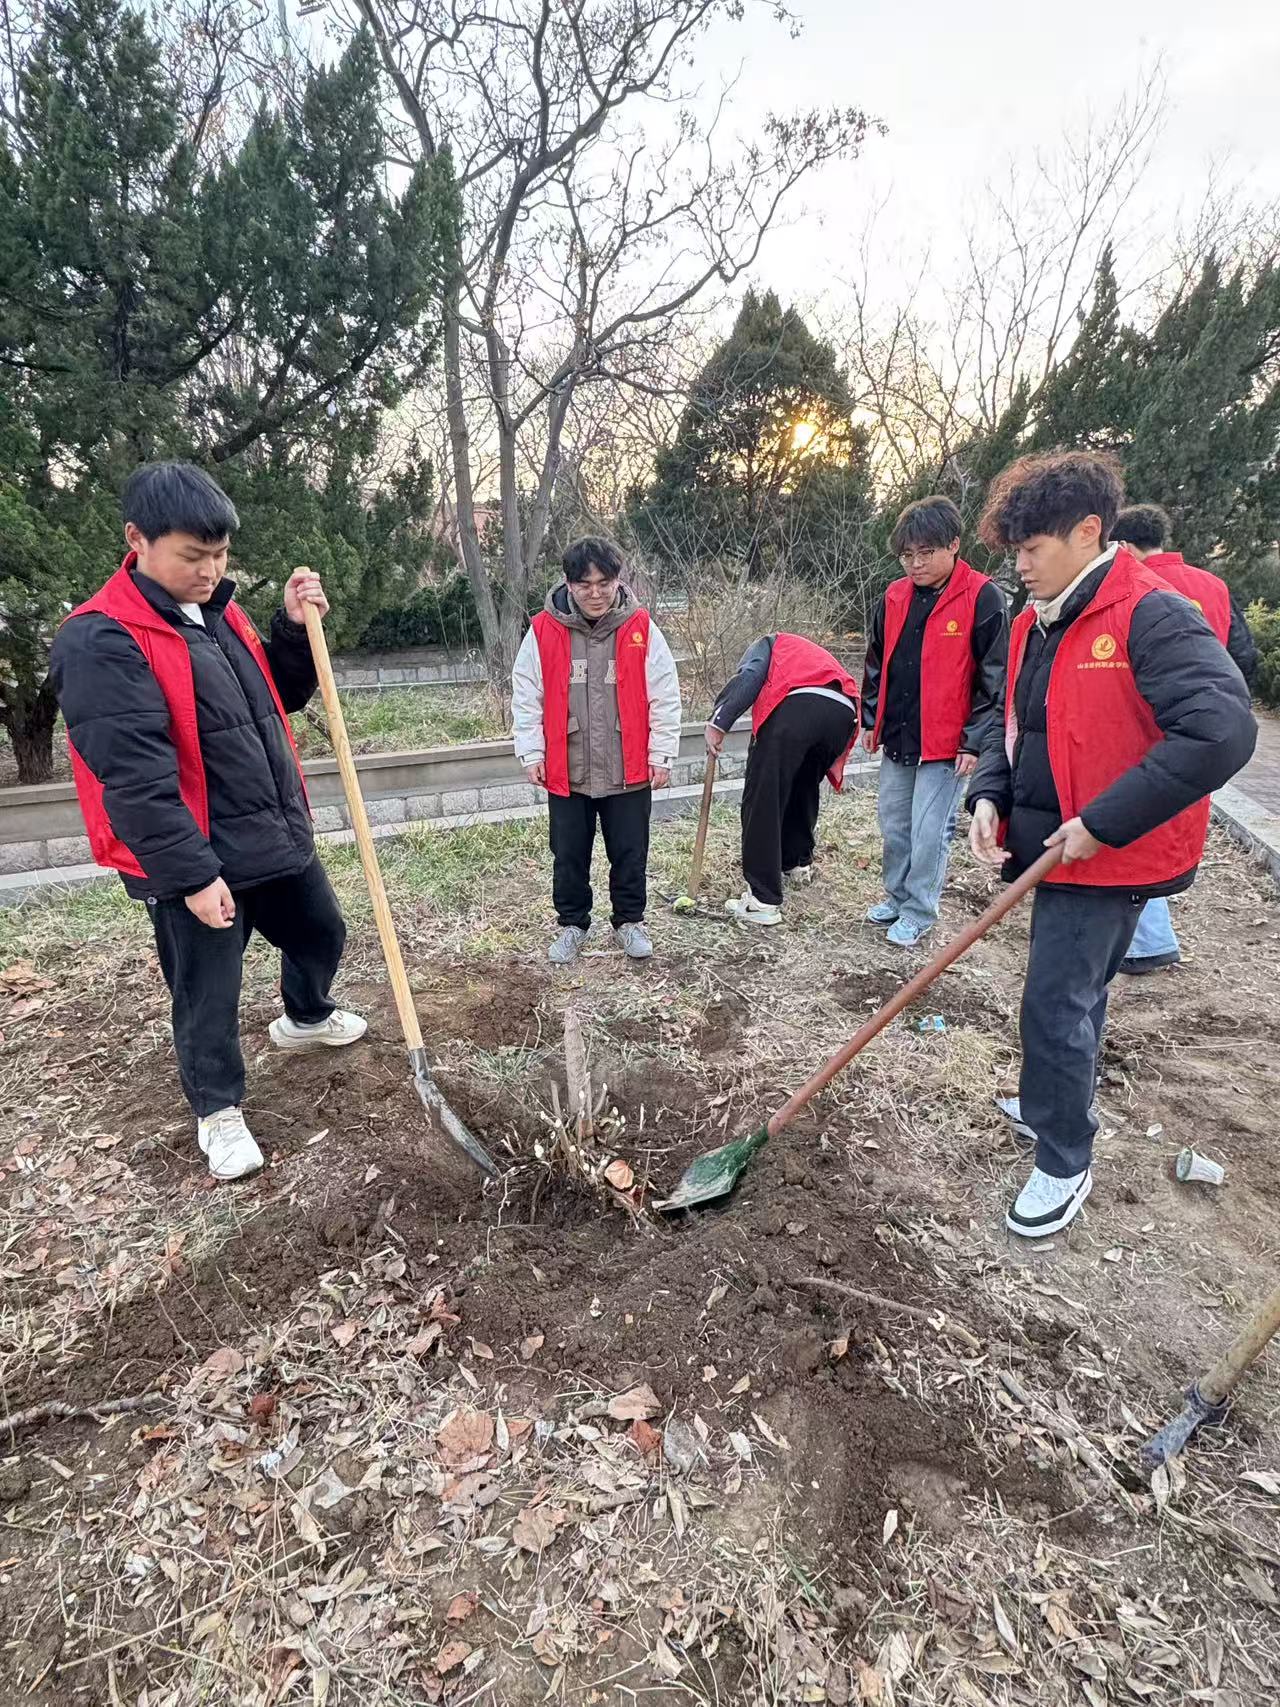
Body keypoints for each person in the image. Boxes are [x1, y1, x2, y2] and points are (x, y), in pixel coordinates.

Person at [50, 463, 366, 1182]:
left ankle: (305, 1017)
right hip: (194, 853)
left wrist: (294, 630)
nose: (210, 571)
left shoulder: (222, 614)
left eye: (220, 555)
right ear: (137, 539)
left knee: (321, 932)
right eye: (193, 555)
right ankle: (218, 1111)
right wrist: (192, 876)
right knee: (207, 995)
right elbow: (133, 781)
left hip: (269, 831)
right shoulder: (102, 639)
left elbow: (274, 699)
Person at [968, 451, 1256, 1238]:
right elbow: (1010, 723)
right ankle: (1050, 1102)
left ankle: (1064, 1157)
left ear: (1089, 531)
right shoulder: (1037, 620)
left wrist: (1102, 821)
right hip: (1051, 843)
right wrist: (989, 794)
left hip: (1108, 855)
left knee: (1054, 1003)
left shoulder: (1149, 614)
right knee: (1072, 996)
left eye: (1033, 547)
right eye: (1016, 550)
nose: (1021, 565)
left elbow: (1223, 729)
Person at [512, 537, 682, 965]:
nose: (595, 593)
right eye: (584, 584)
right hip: (567, 768)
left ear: (617, 581)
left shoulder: (641, 628)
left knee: (630, 851)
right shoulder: (543, 631)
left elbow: (664, 694)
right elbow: (526, 695)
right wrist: (531, 752)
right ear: (568, 584)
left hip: (628, 766)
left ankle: (630, 921)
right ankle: (572, 924)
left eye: (604, 583)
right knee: (568, 853)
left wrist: (661, 754)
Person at [1112, 502, 1259, 975]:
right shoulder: (1213, 585)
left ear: (1124, 545)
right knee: (1169, 827)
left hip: (1143, 729)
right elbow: (1243, 657)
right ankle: (1151, 935)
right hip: (1200, 733)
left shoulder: (1133, 589)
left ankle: (1148, 941)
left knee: (1133, 826)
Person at [860, 496, 1008, 947]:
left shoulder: (982, 596)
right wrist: (871, 718)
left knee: (929, 831)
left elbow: (994, 677)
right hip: (899, 733)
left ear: (954, 545)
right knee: (895, 826)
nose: (916, 564)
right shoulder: (895, 596)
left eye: (926, 552)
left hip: (946, 743)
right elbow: (876, 661)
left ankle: (919, 909)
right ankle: (896, 896)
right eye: (907, 555)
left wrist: (973, 740)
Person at [705, 633, 859, 925]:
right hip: (842, 713)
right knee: (803, 786)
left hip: (796, 705)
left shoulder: (766, 644)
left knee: (763, 797)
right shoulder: (804, 652)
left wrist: (718, 722)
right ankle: (796, 863)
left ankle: (762, 900)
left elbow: (749, 678)